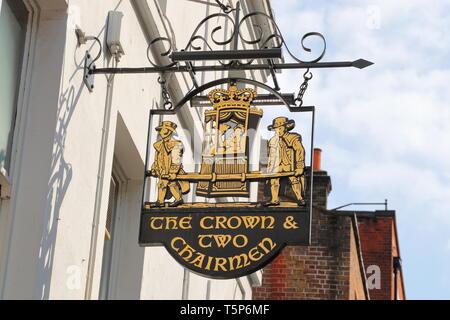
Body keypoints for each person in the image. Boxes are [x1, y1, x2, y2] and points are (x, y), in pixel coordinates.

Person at [263, 117, 306, 206]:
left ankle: (299, 198)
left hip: (289, 164)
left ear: (285, 127)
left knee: (294, 180)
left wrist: (300, 166)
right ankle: (274, 199)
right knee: (274, 180)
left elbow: (299, 150)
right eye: (276, 128)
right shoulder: (272, 141)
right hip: (277, 165)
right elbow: (271, 155)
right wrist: (269, 169)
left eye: (280, 128)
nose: (278, 130)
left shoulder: (293, 137)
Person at [150, 121, 189, 207]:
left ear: (168, 131)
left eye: (163, 130)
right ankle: (161, 201)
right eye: (161, 130)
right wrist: (154, 168)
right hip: (162, 169)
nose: (161, 132)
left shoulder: (176, 145)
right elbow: (157, 158)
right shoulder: (159, 145)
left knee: (171, 184)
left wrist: (173, 172)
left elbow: (176, 160)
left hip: (170, 170)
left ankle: (177, 199)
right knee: (162, 184)